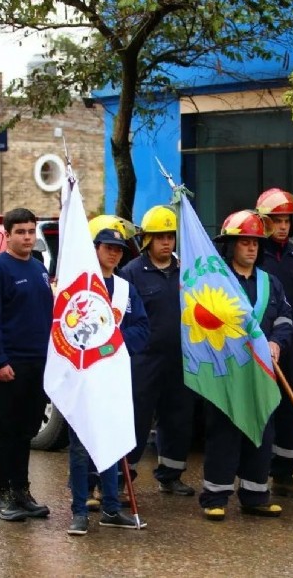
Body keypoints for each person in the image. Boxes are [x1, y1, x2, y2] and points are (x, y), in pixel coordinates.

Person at [200, 210, 293, 521]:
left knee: (262, 433)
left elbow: (284, 320)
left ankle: (255, 495)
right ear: (230, 245)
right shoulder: (215, 282)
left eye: (255, 242)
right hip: (227, 371)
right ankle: (215, 496)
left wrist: (277, 342)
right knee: (224, 434)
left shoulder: (272, 283)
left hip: (262, 373)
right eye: (244, 242)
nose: (251, 248)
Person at [66, 228, 150, 535]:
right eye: (108, 248)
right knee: (79, 448)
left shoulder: (126, 289)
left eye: (119, 249)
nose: (114, 253)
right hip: (84, 377)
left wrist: (113, 342)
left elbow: (142, 328)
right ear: (96, 249)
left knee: (112, 445)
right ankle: (79, 512)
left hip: (114, 375)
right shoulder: (81, 287)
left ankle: (112, 509)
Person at [0, 208, 54, 521]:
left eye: (31, 231)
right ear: (7, 235)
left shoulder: (38, 269)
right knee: (5, 431)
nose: (27, 237)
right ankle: (2, 495)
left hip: (38, 364)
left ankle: (22, 491)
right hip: (9, 365)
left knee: (27, 430)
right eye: (20, 232)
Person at [119, 205, 196, 497]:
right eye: (160, 237)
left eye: (170, 236)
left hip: (180, 359)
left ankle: (171, 474)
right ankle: (124, 478)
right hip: (144, 360)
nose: (166, 242)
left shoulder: (186, 272)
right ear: (147, 240)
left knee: (178, 417)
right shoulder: (131, 274)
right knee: (137, 419)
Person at [255, 188, 293, 499]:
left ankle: (284, 474)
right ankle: (257, 472)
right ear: (263, 222)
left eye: (287, 221)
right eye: (276, 220)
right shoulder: (252, 256)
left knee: (292, 408)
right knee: (264, 409)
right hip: (258, 347)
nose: (283, 226)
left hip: (290, 345)